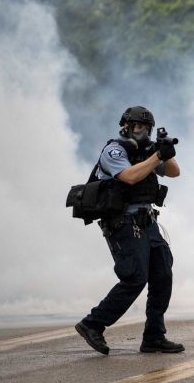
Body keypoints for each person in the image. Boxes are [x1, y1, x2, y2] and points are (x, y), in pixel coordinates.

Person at [75, 106, 184, 355]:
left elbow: (174, 172)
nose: (140, 130)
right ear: (125, 125)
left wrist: (165, 151)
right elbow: (129, 177)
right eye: (135, 126)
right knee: (134, 277)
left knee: (163, 273)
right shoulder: (115, 150)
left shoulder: (147, 151)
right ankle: (93, 324)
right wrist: (157, 156)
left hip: (147, 221)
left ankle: (154, 336)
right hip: (122, 222)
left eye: (145, 127)